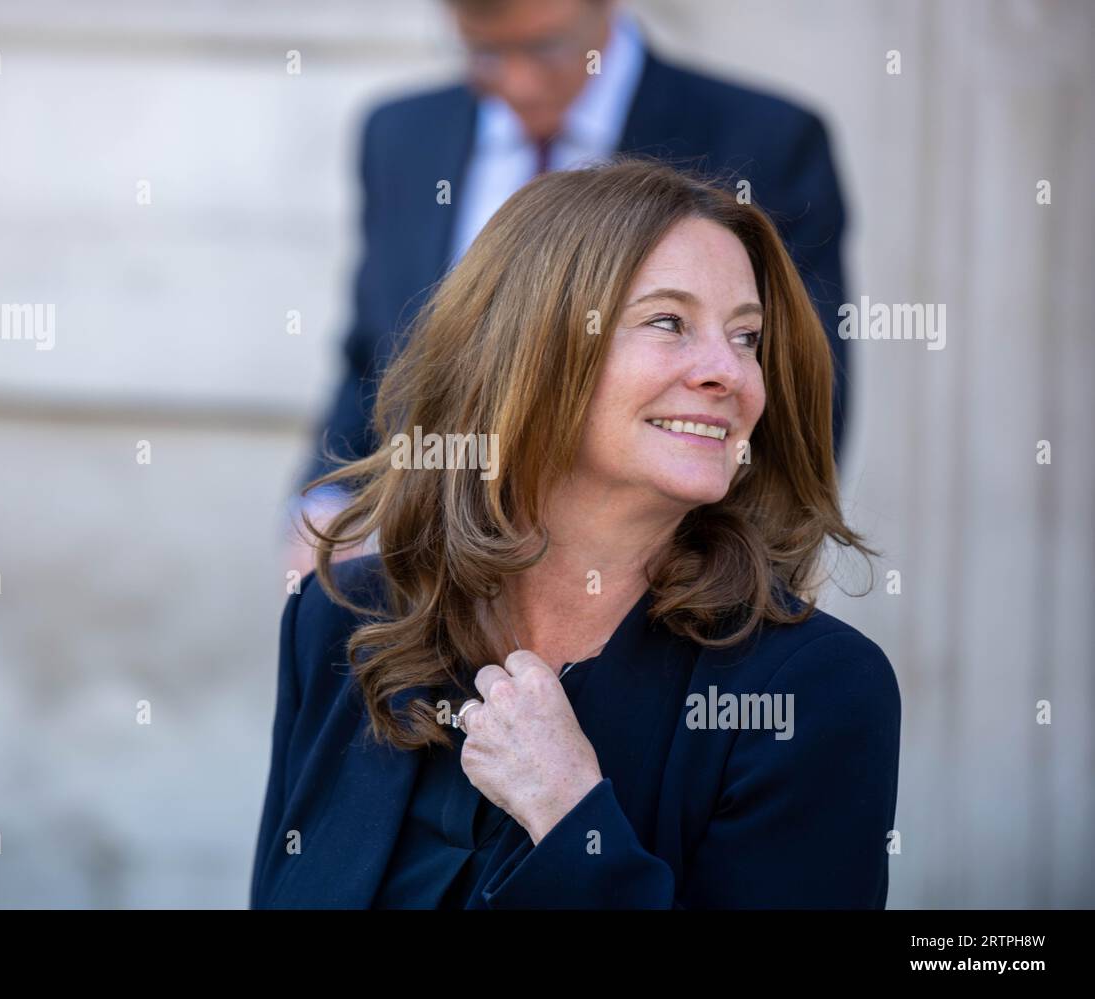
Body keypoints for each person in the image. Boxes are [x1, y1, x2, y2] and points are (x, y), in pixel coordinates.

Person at [251, 160, 900, 909]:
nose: (730, 372)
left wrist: (568, 814)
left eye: (747, 336)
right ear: (528, 350)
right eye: (668, 322)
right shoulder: (343, 619)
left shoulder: (814, 689)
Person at [285, 0, 852, 573]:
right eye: (483, 52)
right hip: (432, 570)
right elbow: (375, 353)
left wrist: (723, 587)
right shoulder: (401, 135)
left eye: (545, 48)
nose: (518, 84)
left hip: (671, 586)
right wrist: (326, 507)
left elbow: (804, 387)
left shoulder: (763, 137)